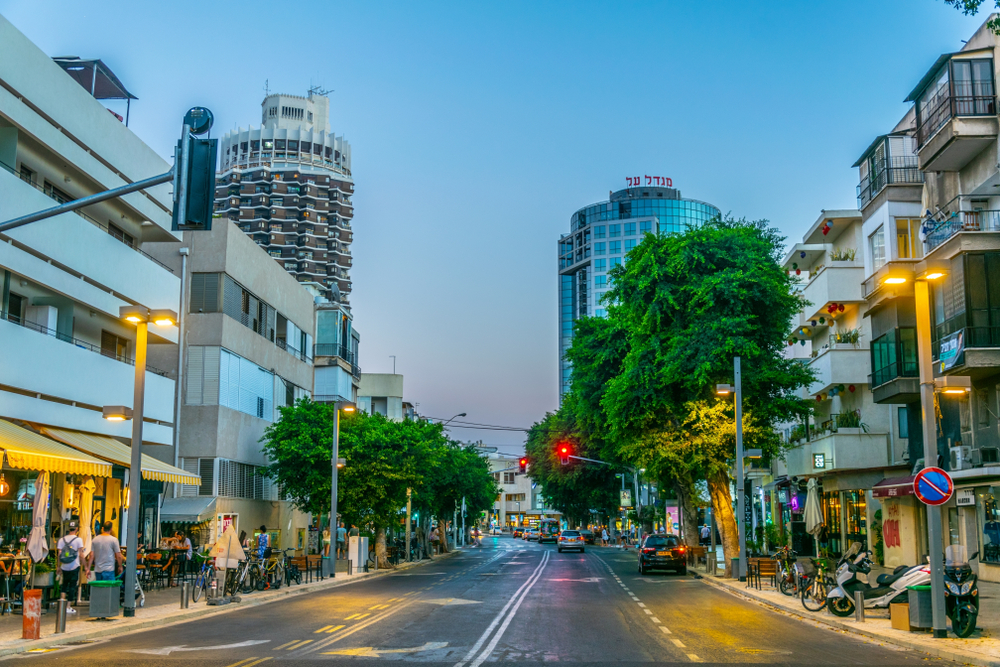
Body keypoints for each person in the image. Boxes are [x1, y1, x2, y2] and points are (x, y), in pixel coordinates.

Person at [56, 520, 86, 613]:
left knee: (64, 585)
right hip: (74, 566)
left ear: (69, 529)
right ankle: (68, 607)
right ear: (77, 529)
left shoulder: (62, 539)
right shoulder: (78, 540)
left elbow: (59, 554)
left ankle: (62, 606)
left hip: (64, 566)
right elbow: (81, 554)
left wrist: (58, 566)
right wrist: (85, 566)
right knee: (72, 586)